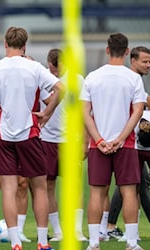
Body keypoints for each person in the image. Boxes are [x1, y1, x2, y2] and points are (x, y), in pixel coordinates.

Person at [0, 26, 64, 250]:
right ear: (25, 46)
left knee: (8, 188)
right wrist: (47, 113)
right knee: (39, 187)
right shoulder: (34, 67)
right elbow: (61, 88)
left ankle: (16, 243)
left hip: (4, 135)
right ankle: (41, 242)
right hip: (29, 132)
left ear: (5, 44)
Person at [80, 33, 146, 250]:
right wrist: (120, 139)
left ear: (107, 50)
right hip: (125, 144)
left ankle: (92, 243)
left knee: (97, 193)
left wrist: (99, 140)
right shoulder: (133, 78)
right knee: (129, 191)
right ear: (127, 52)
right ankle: (131, 242)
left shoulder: (92, 77)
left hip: (99, 144)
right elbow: (137, 111)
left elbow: (84, 112)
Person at [107, 46, 150, 241]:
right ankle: (113, 226)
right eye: (144, 61)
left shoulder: (135, 81)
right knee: (131, 183)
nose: (148, 65)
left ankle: (113, 226)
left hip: (137, 142)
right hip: (128, 141)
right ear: (132, 60)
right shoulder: (129, 80)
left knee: (138, 183)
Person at [43, 48, 88, 242]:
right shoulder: (43, 78)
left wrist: (85, 139)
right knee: (48, 184)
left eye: (57, 71)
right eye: (52, 71)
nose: (55, 75)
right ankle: (57, 231)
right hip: (47, 139)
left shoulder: (77, 80)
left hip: (70, 141)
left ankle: (76, 230)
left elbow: (84, 112)